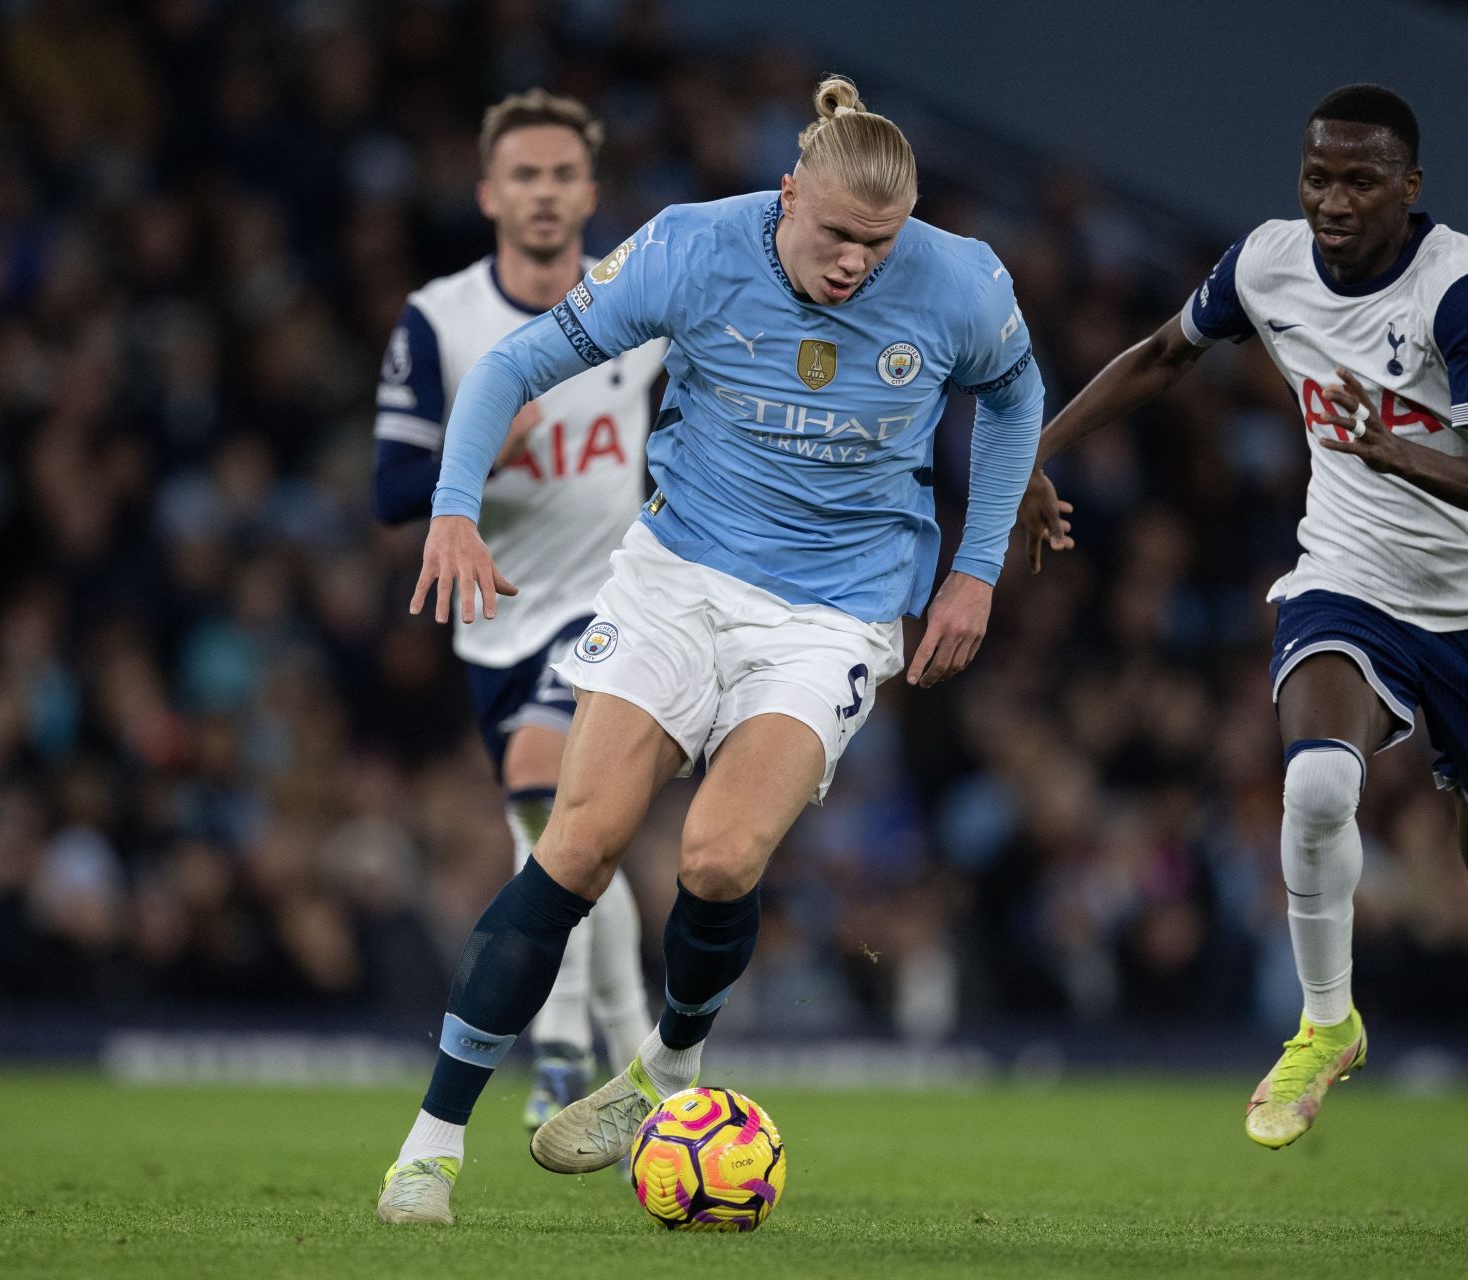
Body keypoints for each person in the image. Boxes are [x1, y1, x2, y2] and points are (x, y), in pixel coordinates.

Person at [376, 75, 1042, 1225]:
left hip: (833, 611)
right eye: (835, 235)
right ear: (788, 194)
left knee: (721, 861)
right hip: (678, 575)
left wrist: (973, 569)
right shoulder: (690, 250)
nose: (855, 265)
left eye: (879, 243)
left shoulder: (960, 280)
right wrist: (451, 504)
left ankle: (667, 1068)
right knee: (576, 843)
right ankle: (429, 1147)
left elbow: (1016, 393)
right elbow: (513, 364)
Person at [1020, 84, 1468, 1233]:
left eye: (1361, 181)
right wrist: (1035, 454)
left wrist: (1390, 440)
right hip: (1347, 581)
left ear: (1411, 188)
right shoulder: (1267, 264)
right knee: (1313, 781)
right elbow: (1165, 352)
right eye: (1318, 177)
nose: (1334, 201)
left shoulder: (1460, 287)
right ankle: (1327, 1022)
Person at [370, 90, 663, 1141]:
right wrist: (483, 442)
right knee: (569, 837)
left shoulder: (633, 302)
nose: (544, 194)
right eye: (524, 177)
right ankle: (636, 1066)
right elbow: (392, 486)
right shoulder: (441, 319)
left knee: (549, 793)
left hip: (619, 600)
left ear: (590, 191)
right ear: (491, 192)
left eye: (562, 176)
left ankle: (561, 1053)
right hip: (495, 620)